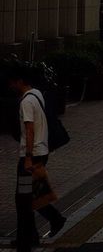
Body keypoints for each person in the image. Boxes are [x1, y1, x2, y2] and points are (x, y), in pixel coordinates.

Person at [7, 65, 65, 252]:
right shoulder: (37, 94)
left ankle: (30, 237)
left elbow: (30, 129)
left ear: (19, 81)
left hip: (32, 155)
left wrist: (28, 158)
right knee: (32, 194)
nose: (10, 85)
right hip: (42, 151)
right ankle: (33, 235)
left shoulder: (26, 102)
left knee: (23, 199)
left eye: (12, 81)